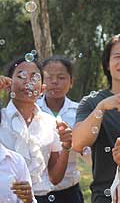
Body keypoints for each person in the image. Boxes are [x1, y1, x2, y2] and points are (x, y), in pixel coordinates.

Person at [72, 34, 120, 203]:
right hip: (107, 196)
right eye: (117, 57)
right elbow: (78, 143)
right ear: (107, 64)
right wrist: (102, 107)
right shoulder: (92, 103)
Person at [0, 57, 72, 203]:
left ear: (42, 89)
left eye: (35, 77)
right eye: (21, 76)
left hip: (43, 198)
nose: (28, 82)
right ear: (8, 85)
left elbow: (55, 178)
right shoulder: (1, 118)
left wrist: (66, 147)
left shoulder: (50, 122)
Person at [37, 55, 84, 203]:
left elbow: (86, 149)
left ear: (71, 82)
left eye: (61, 77)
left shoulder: (79, 111)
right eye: (48, 77)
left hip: (69, 192)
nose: (55, 82)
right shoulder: (31, 109)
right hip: (36, 191)